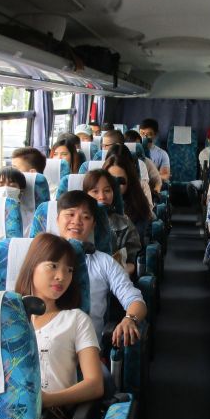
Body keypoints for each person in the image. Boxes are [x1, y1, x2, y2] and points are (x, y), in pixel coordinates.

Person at [13, 233, 104, 419]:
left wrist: (47, 400)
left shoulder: (75, 319)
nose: (61, 276)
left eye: (69, 270)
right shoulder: (6, 318)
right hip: (8, 416)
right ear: (32, 266)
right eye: (53, 266)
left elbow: (94, 384)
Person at [54, 191, 147, 344]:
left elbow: (135, 300)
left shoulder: (104, 262)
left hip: (90, 347)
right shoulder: (41, 258)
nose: (77, 221)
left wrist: (129, 319)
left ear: (93, 225)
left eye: (86, 217)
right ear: (57, 219)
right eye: (70, 214)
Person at [84, 169, 142, 275]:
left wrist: (116, 276)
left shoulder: (124, 224)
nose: (102, 197)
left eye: (107, 190)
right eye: (95, 191)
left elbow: (131, 262)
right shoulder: (77, 224)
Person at [103, 145, 154, 240]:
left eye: (120, 181)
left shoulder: (138, 210)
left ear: (129, 181)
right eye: (110, 181)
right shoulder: (92, 207)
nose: (114, 187)